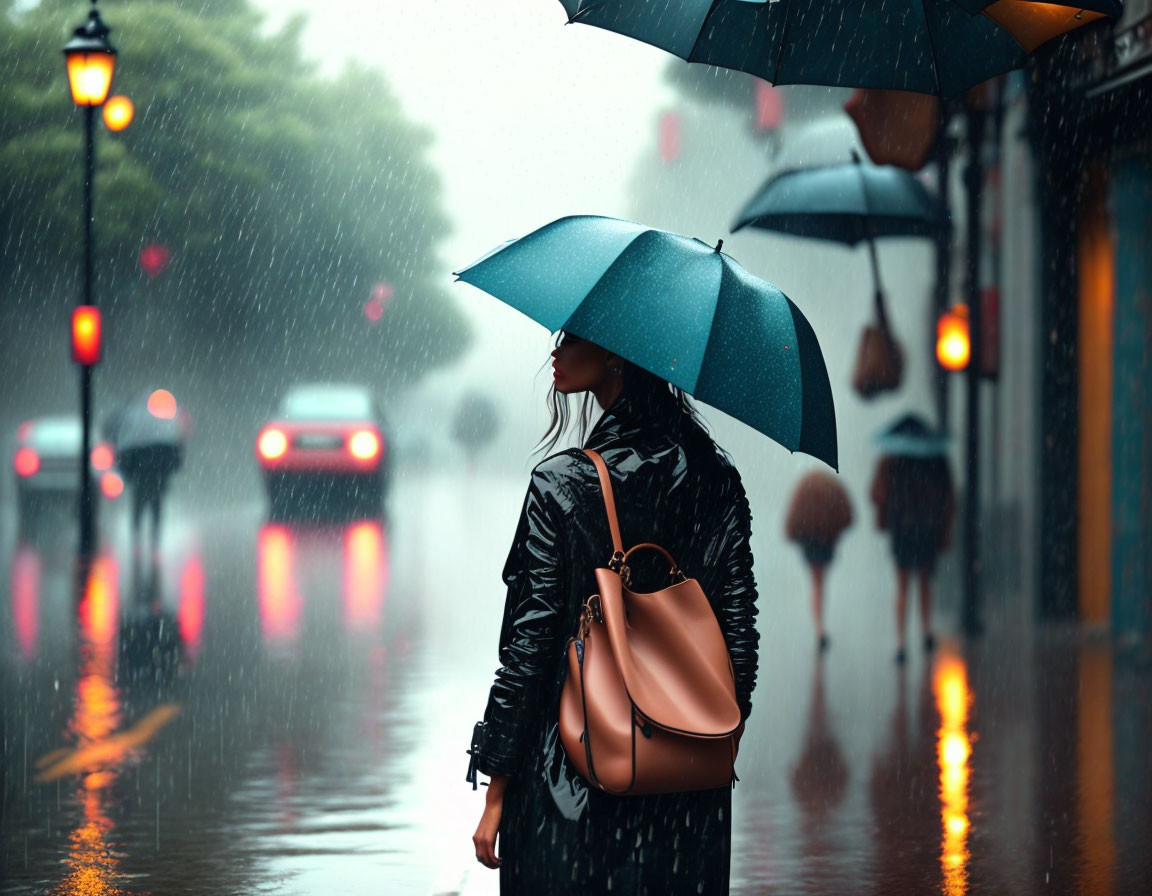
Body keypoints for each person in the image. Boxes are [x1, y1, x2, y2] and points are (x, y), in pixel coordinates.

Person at [467, 332, 760, 894]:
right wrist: (706, 744)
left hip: (573, 779)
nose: (555, 351)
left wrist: (497, 784)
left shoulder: (561, 484)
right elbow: (737, 628)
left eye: (572, 337)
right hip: (689, 790)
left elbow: (530, 646)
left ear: (615, 354)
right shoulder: (716, 482)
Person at [869, 417, 955, 664]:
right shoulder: (936, 460)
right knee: (924, 581)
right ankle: (926, 632)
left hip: (902, 527)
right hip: (926, 527)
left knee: (903, 585)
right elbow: (947, 497)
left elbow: (876, 494)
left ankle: (900, 643)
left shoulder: (891, 460)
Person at [785, 470, 853, 649]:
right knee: (820, 583)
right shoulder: (832, 487)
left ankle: (819, 627)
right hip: (825, 540)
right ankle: (821, 626)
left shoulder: (805, 487)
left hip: (810, 540)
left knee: (816, 583)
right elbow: (846, 514)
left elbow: (793, 518)